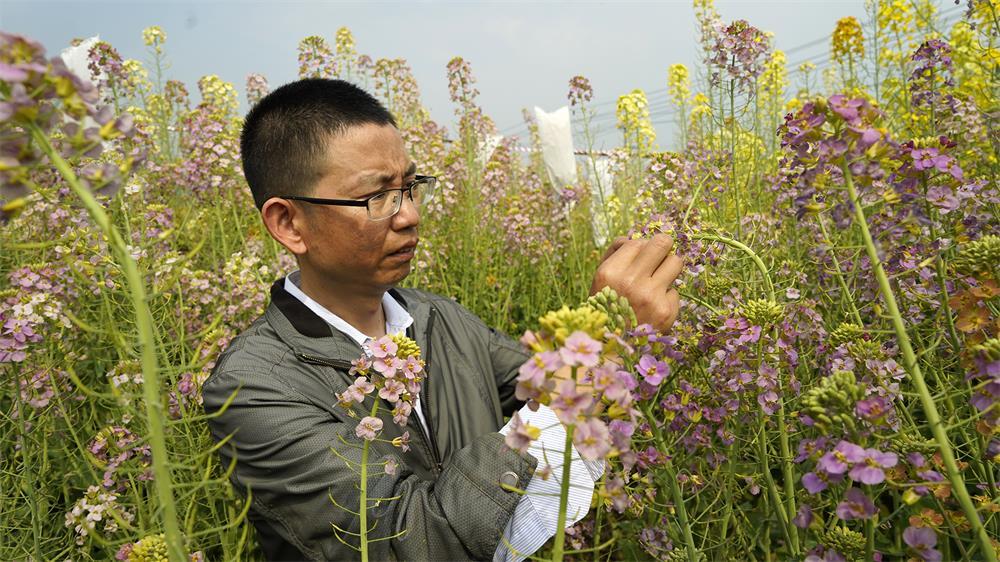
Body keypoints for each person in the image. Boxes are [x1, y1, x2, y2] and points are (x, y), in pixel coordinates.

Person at [202, 78, 684, 561]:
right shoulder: (254, 388)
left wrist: (620, 317)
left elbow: (544, 394)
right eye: (376, 196)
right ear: (289, 223)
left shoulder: (438, 318)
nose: (409, 215)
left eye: (410, 187)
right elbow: (414, 540)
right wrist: (598, 345)